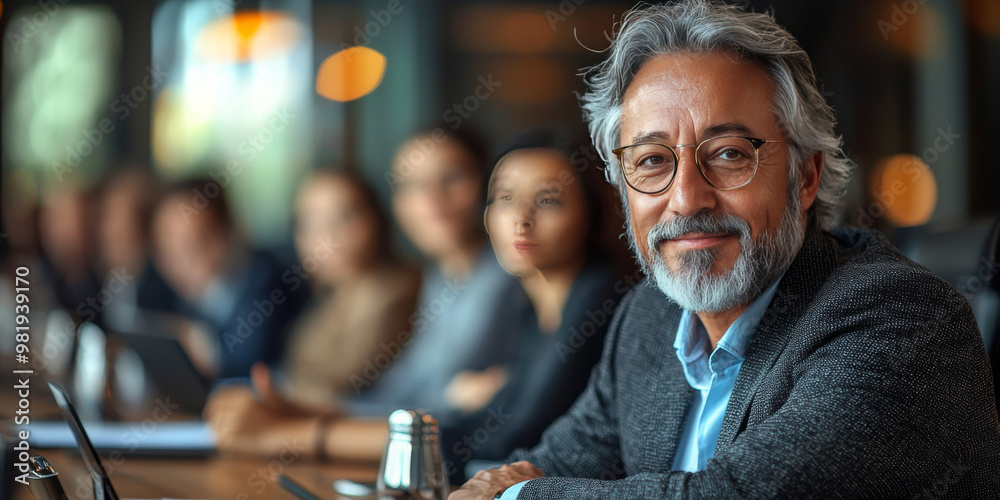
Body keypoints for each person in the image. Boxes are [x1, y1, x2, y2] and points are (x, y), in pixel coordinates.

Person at [451, 2, 1000, 499]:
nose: (686, 199)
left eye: (731, 154)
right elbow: (551, 465)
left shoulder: (901, 318)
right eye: (651, 161)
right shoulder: (647, 316)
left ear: (805, 178)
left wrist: (516, 498)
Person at [205, 129, 532, 461]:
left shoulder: (504, 276)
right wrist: (310, 408)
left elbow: (436, 411)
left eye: (453, 177)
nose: (432, 198)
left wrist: (295, 425)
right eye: (412, 185)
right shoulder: (438, 278)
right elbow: (406, 390)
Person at [441, 131, 630, 483]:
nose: (521, 219)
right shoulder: (533, 306)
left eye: (548, 200)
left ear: (591, 213)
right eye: (505, 197)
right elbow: (489, 421)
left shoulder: (601, 300)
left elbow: (516, 438)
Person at [264, 169, 420, 405]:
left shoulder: (396, 292)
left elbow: (341, 386)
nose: (327, 236)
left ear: (376, 219)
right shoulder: (330, 298)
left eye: (345, 216)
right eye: (309, 222)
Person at [150, 179, 303, 379]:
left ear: (225, 233)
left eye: (195, 244)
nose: (179, 264)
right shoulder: (187, 299)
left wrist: (194, 344)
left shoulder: (266, 279)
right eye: (169, 251)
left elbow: (244, 362)